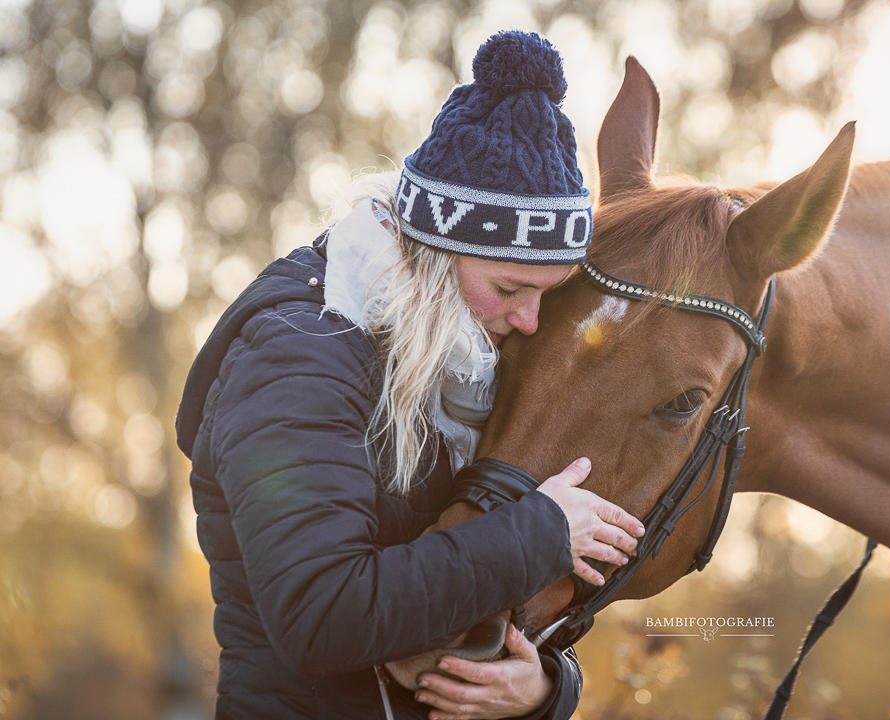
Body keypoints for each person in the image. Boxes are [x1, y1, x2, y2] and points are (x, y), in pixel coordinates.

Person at [175, 31, 644, 720]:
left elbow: (487, 595)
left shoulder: (467, 365)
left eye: (548, 292)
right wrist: (542, 535)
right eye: (511, 288)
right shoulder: (296, 361)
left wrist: (542, 689)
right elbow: (322, 614)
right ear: (435, 254)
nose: (530, 321)